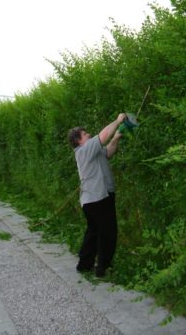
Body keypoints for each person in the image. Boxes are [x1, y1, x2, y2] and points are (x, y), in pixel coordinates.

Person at [68, 113, 126, 277]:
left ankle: (84, 264)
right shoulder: (84, 150)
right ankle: (102, 268)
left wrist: (116, 138)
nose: (89, 135)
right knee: (107, 232)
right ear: (79, 140)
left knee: (94, 232)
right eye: (85, 134)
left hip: (93, 200)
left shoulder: (93, 151)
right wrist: (117, 120)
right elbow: (103, 135)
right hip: (99, 198)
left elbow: (108, 152)